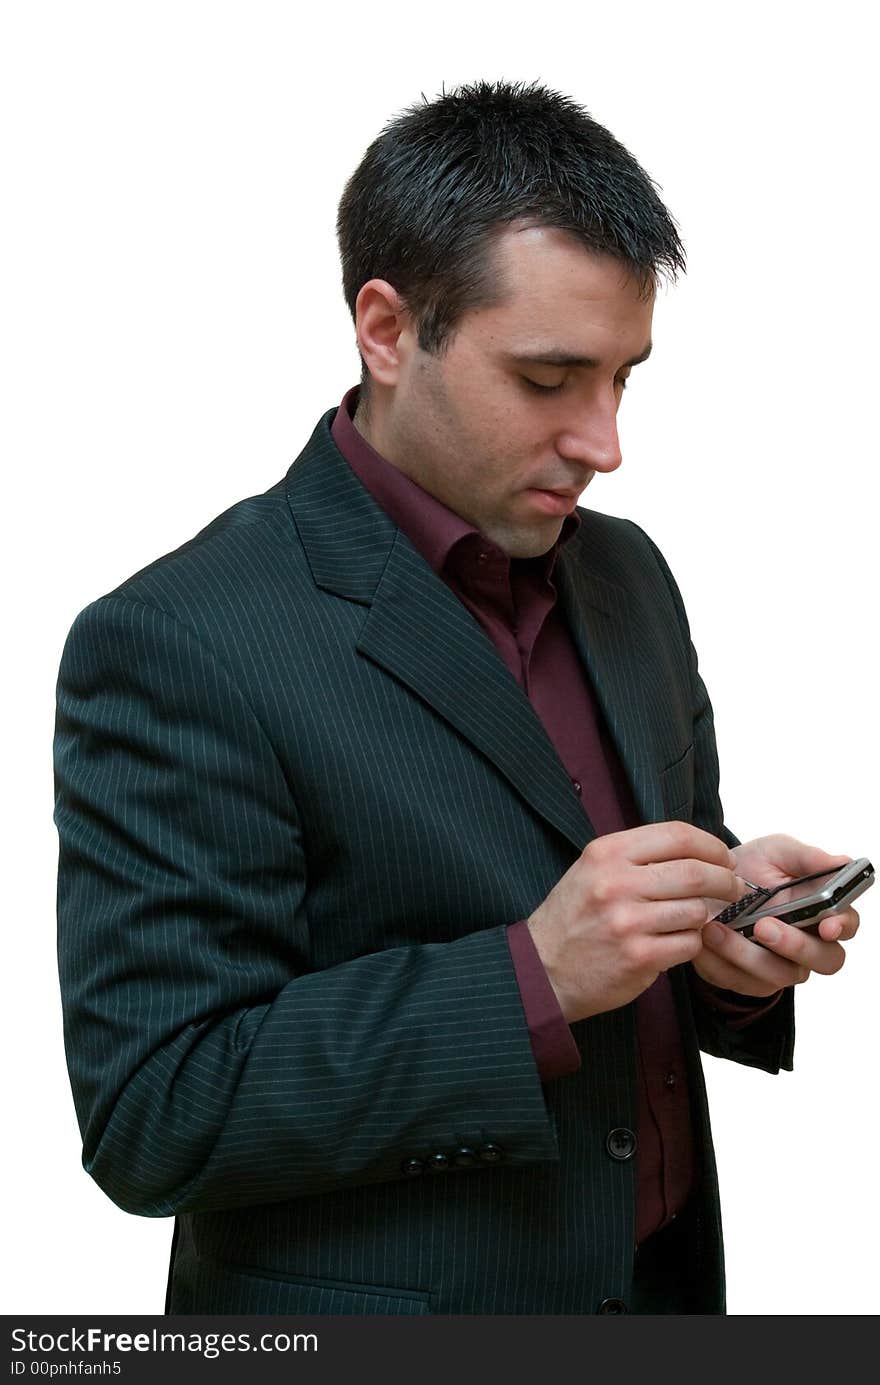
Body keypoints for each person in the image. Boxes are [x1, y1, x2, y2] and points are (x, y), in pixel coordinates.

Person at [53, 79, 860, 1317]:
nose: (605, 440)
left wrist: (727, 943)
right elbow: (157, 1111)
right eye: (549, 379)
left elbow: (637, 946)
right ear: (385, 327)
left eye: (624, 378)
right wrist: (531, 973)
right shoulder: (175, 643)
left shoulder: (629, 573)